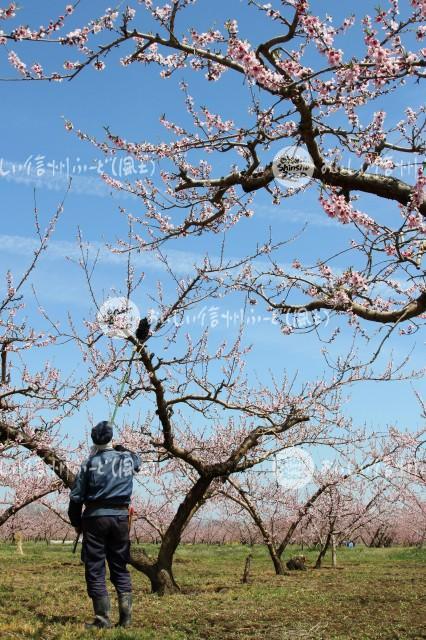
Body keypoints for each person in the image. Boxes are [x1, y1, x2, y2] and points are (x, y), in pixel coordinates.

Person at [68, 420, 141, 629]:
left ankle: (102, 619)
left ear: (93, 441)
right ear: (111, 439)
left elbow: (76, 498)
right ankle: (126, 619)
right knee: (120, 565)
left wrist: (76, 522)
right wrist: (122, 449)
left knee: (95, 567)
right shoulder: (126, 459)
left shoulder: (89, 463)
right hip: (120, 519)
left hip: (94, 519)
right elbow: (138, 460)